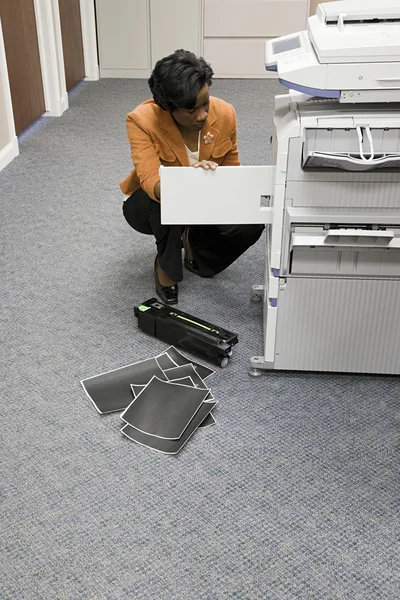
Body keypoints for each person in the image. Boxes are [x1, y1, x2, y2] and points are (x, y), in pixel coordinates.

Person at [121, 49, 264, 305]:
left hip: (207, 196)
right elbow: (150, 178)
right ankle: (166, 269)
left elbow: (233, 172)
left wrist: (220, 181)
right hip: (156, 201)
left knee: (252, 220)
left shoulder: (226, 113)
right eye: (191, 109)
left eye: (205, 102)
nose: (202, 115)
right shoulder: (141, 120)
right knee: (167, 204)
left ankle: (196, 251)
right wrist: (188, 180)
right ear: (167, 107)